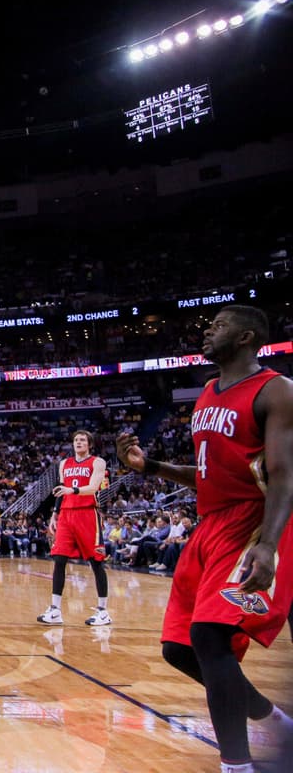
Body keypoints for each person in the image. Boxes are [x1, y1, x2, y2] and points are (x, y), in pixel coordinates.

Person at [117, 305, 293, 773]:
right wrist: (151, 467)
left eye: (219, 325)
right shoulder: (207, 395)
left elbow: (283, 474)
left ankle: (236, 765)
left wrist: (268, 544)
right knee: (179, 648)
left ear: (247, 337)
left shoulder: (277, 390)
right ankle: (276, 721)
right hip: (210, 524)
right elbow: (205, 475)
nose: (207, 331)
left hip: (254, 521)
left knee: (209, 636)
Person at [38, 430, 112, 626]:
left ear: (89, 444)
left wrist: (72, 490)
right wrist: (55, 513)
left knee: (96, 561)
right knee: (59, 559)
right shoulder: (65, 463)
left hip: (87, 513)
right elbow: (61, 491)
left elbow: (94, 487)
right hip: (66, 514)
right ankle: (55, 610)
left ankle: (103, 611)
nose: (78, 442)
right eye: (76, 440)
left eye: (82, 440)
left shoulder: (97, 462)